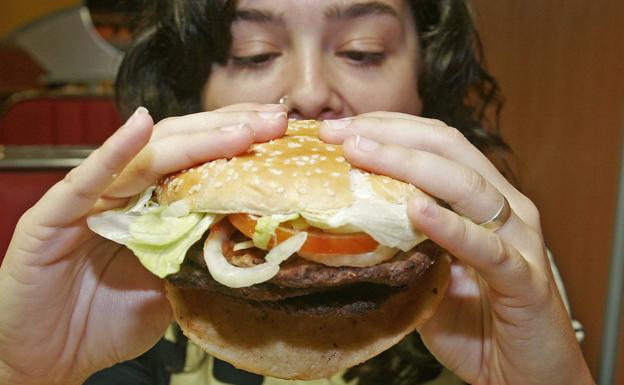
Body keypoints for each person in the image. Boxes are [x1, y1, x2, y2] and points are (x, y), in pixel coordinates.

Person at [0, 0, 596, 384]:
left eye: (362, 51)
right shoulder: (115, 287)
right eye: (252, 54)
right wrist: (24, 370)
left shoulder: (503, 281)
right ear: (196, 93)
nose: (310, 93)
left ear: (425, 86)